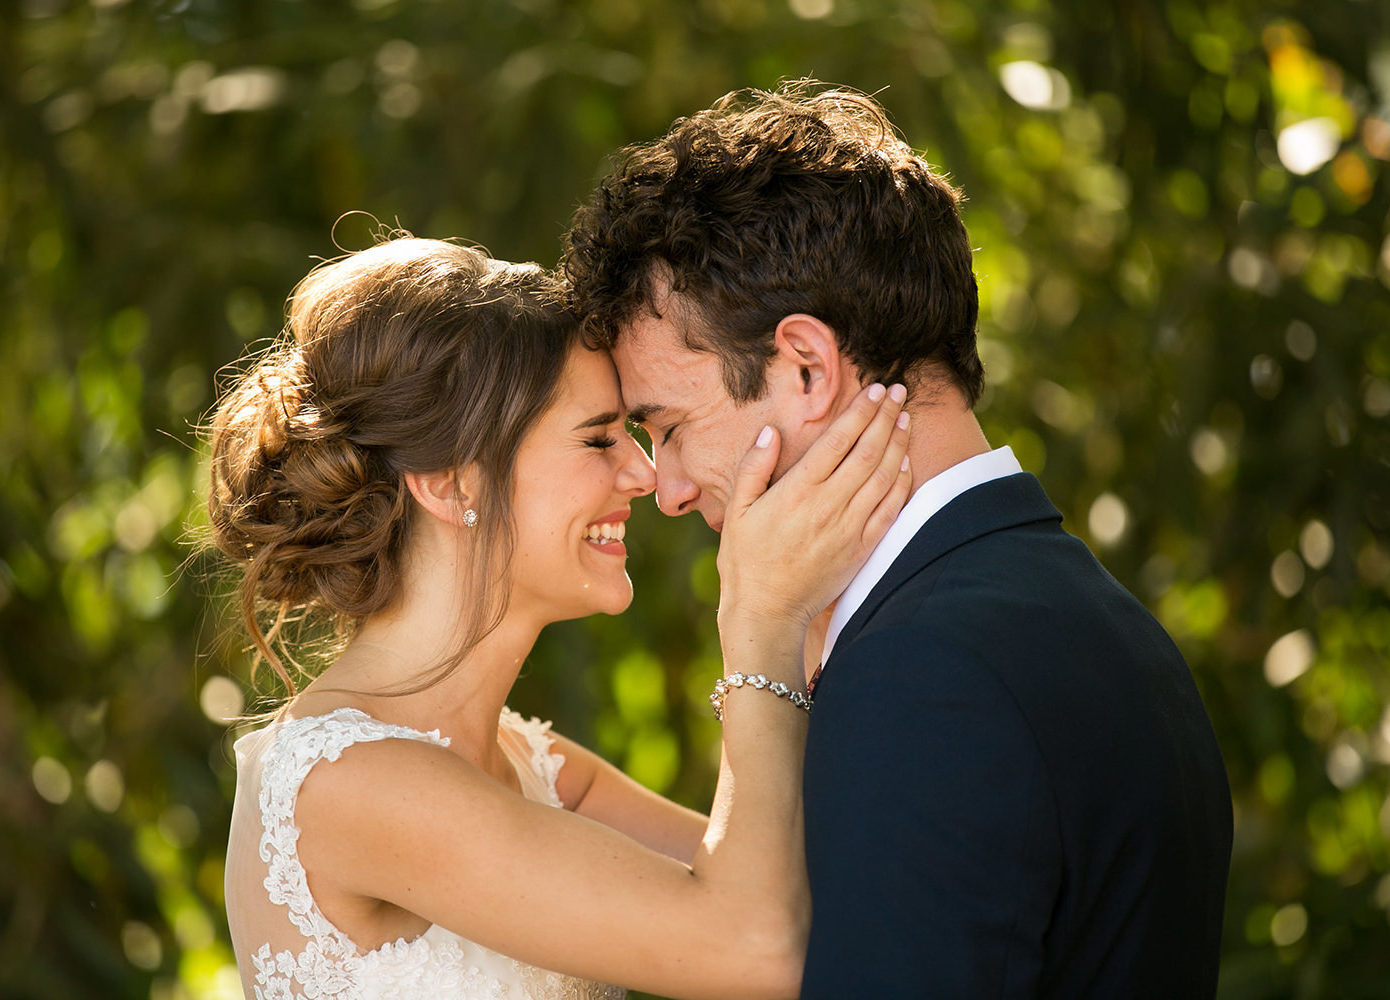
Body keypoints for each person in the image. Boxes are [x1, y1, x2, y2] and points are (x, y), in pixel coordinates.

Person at [563, 81, 1234, 997]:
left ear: (806, 367)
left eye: (669, 426)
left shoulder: (923, 675)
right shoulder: (1091, 614)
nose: (667, 490)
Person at [205, 234, 913, 1000]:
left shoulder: (539, 768)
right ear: (449, 484)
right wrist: (761, 618)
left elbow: (817, 892)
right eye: (599, 437)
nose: (643, 473)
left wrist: (817, 615)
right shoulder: (347, 785)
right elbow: (756, 949)